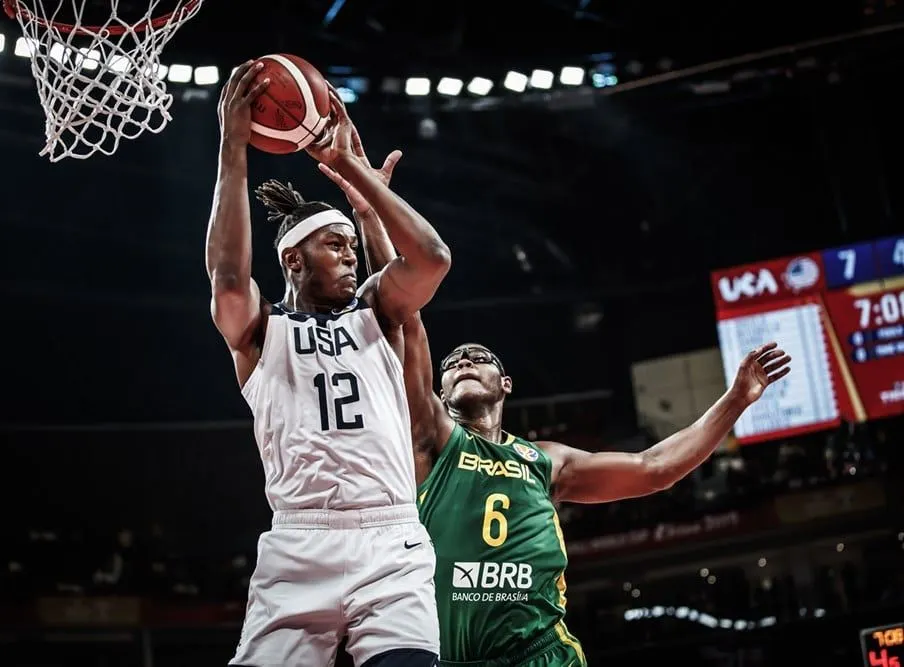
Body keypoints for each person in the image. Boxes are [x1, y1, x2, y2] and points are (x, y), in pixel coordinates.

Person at [321, 145, 793, 667]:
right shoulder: (433, 440)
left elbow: (654, 468)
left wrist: (735, 400)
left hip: (541, 653)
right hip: (452, 658)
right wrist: (370, 206)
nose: (464, 362)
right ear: (439, 389)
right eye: (453, 362)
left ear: (505, 384)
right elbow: (403, 314)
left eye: (479, 358)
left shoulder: (547, 461)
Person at [207, 63, 451, 667]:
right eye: (335, 244)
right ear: (293, 258)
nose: (351, 254)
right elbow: (230, 278)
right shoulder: (262, 332)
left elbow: (432, 259)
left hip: (390, 539)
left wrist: (355, 173)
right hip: (298, 544)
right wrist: (232, 147)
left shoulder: (379, 313)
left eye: (352, 244)